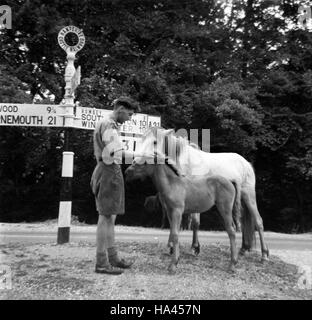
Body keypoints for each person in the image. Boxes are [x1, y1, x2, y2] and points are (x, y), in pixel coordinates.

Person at [90, 96, 139, 275]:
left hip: (107, 169)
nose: (129, 118)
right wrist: (146, 156)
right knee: (105, 218)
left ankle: (113, 258)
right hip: (109, 170)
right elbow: (117, 152)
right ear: (120, 109)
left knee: (110, 218)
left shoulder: (107, 124)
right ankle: (102, 263)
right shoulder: (109, 125)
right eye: (129, 114)